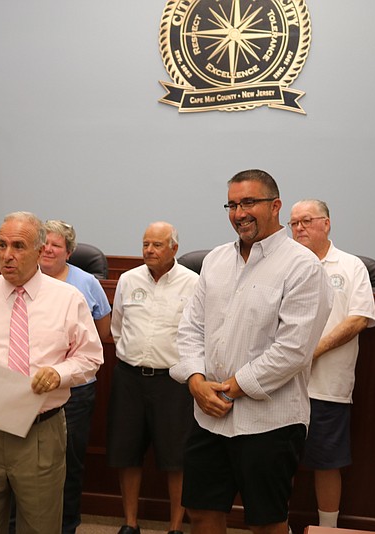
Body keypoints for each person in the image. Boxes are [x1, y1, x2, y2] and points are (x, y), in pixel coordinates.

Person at [170, 169, 332, 534]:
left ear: (275, 206)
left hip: (270, 422)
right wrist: (196, 381)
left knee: (266, 522)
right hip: (208, 416)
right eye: (232, 204)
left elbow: (293, 349)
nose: (239, 212)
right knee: (201, 511)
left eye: (249, 203)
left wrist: (229, 388)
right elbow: (191, 328)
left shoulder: (303, 266)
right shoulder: (214, 260)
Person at [0, 211, 104, 534]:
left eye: (18, 246)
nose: (7, 255)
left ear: (41, 251)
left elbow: (90, 357)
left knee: (40, 525)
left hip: (40, 430)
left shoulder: (68, 299)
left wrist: (59, 373)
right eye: (1, 245)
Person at [289, 199, 375, 528]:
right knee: (279, 462)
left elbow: (359, 319)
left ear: (326, 224)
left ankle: (327, 530)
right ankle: (276, 525)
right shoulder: (283, 265)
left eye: (306, 221)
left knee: (327, 463)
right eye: (293, 223)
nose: (299, 228)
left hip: (328, 387)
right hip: (282, 386)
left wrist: (311, 351)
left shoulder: (351, 266)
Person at [107, 221, 198, 534]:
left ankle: (175, 527)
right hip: (129, 379)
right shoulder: (128, 279)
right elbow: (117, 327)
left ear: (174, 248)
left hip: (173, 383)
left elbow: (201, 334)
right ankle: (130, 523)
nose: (149, 250)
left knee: (177, 458)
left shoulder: (194, 283)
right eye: (145, 243)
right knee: (127, 453)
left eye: (157, 244)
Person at [39, 219, 111, 534]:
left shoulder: (87, 283)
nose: (47, 249)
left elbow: (102, 332)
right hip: (31, 386)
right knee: (23, 462)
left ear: (68, 252)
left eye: (55, 244)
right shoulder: (26, 279)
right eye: (43, 243)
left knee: (68, 463)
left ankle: (66, 526)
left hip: (76, 390)